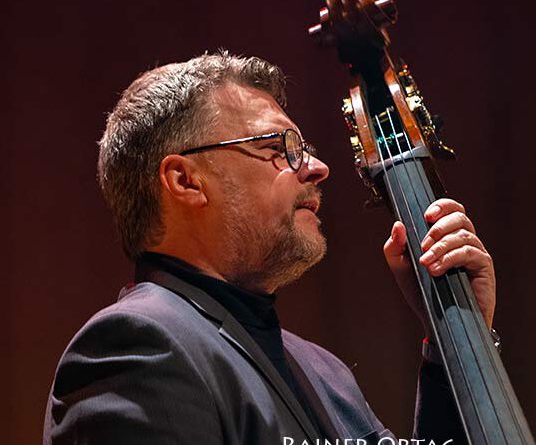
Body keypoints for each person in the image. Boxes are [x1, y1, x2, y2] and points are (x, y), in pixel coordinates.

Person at [43, 52, 497, 445]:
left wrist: (452, 338)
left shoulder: (326, 373)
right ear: (185, 180)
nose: (317, 167)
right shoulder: (135, 348)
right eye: (281, 147)